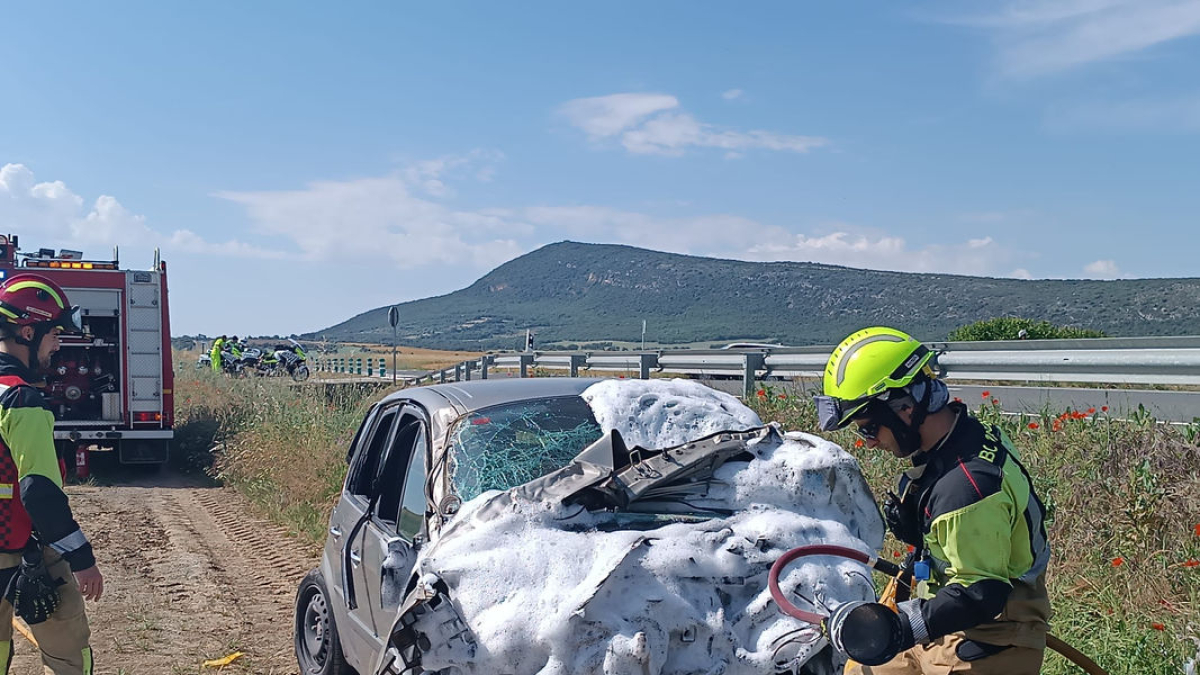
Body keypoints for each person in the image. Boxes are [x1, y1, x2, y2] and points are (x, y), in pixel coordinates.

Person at [814, 326, 1050, 674]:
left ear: (905, 408)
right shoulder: (959, 437)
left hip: (991, 626)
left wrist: (899, 629)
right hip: (939, 598)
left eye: (868, 428)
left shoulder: (967, 489)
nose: (869, 443)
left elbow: (981, 592)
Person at [0, 274, 103, 674]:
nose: (58, 344)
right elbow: (39, 492)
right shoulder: (21, 400)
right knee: (69, 656)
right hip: (25, 550)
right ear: (27, 331)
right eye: (53, 333)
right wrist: (82, 559)